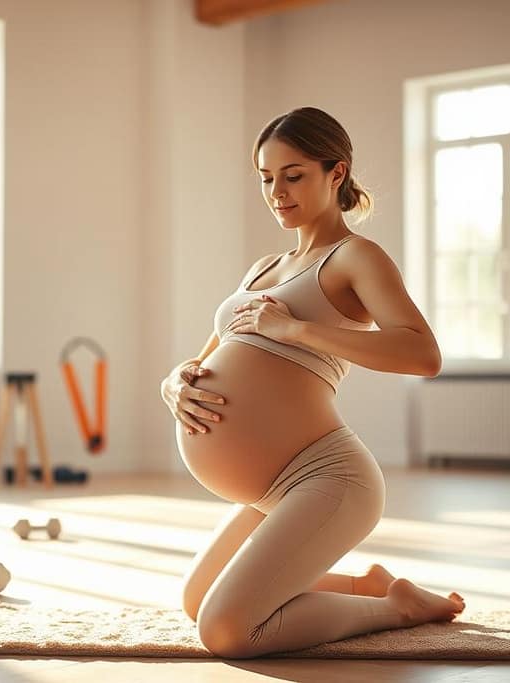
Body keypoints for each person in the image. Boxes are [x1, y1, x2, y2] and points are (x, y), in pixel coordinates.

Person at [159, 107, 465, 659]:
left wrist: (296, 328)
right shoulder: (262, 267)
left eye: (293, 174)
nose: (277, 191)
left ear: (336, 173)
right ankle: (370, 586)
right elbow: (210, 355)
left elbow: (423, 354)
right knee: (197, 600)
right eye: (266, 178)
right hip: (270, 489)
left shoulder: (355, 256)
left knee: (225, 630)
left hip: (327, 478)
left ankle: (397, 609)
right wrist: (174, 382)